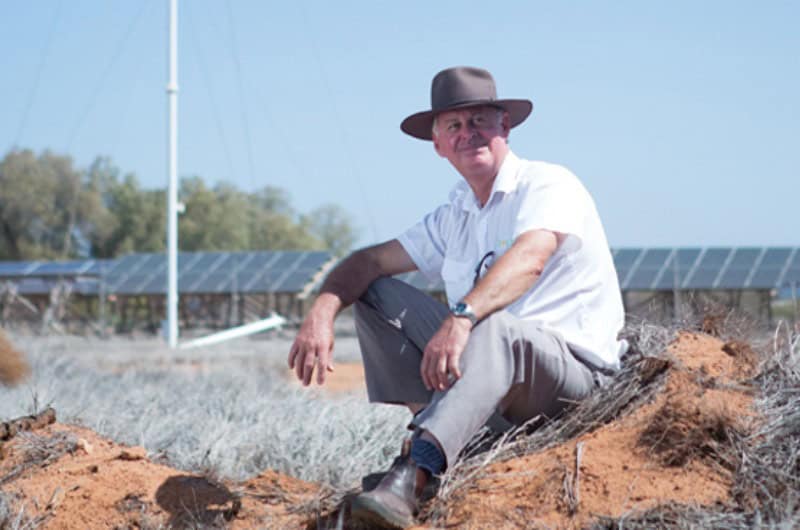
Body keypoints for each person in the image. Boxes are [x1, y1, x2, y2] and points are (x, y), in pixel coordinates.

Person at [288, 66, 625, 528]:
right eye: (454, 125)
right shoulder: (457, 214)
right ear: (439, 144)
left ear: (504, 126)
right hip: (496, 384)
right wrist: (322, 312)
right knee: (374, 294)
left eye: (480, 121)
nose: (469, 134)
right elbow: (368, 262)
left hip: (572, 380)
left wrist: (461, 318)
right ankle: (443, 440)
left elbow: (531, 256)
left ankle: (415, 470)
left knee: (498, 329)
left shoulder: (546, 183)